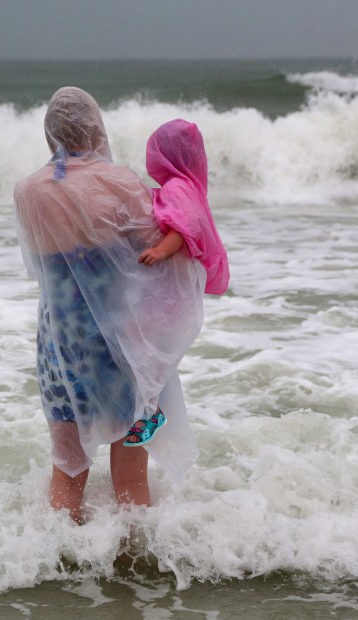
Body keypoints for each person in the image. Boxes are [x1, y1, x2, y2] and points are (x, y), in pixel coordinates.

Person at [13, 88, 205, 523]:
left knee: (67, 468)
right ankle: (135, 568)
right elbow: (153, 251)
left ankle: (57, 563)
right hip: (118, 341)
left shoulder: (26, 191)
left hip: (58, 343)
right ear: (96, 127)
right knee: (131, 476)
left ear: (51, 134)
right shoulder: (118, 182)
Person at [126, 119, 231, 446]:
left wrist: (160, 251)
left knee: (144, 343)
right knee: (151, 348)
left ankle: (150, 411)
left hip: (174, 286)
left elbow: (182, 229)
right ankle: (148, 408)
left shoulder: (177, 188)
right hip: (180, 287)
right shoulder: (188, 188)